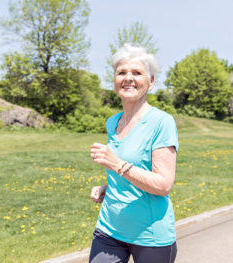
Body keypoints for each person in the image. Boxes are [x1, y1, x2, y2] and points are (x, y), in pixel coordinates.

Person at [89, 43, 179, 263]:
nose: (128, 77)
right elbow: (132, 171)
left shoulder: (162, 122)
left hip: (150, 236)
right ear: (115, 80)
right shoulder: (113, 122)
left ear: (150, 82)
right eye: (122, 72)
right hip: (109, 229)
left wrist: (117, 164)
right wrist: (108, 187)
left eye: (137, 73)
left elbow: (163, 185)